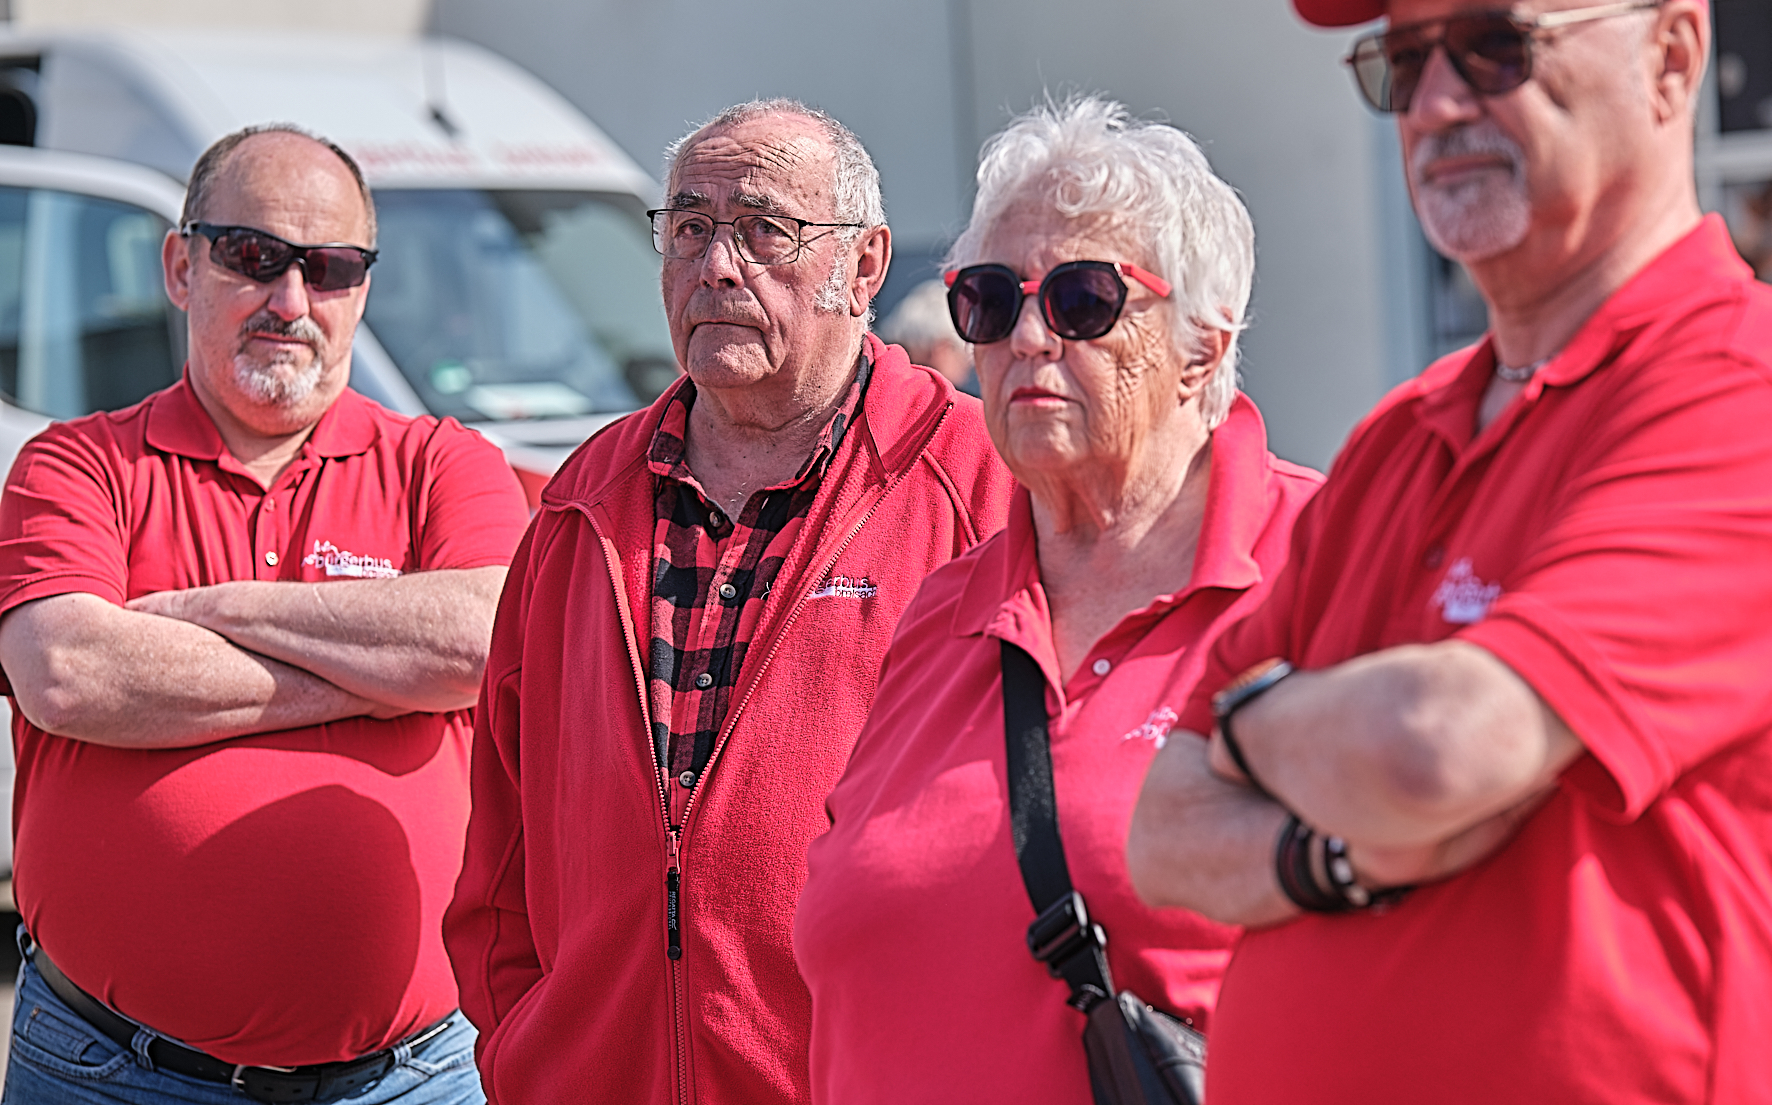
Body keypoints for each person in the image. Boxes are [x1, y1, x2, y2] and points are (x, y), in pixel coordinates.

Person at [1126, 0, 1772, 1102]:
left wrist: (1252, 723)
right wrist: (1335, 850)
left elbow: (1438, 745)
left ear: (1672, 60)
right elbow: (1163, 829)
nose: (1432, 104)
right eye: (1401, 61)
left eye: (1490, 46)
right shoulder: (1402, 432)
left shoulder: (1734, 385)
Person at [443, 99, 1015, 1104]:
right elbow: (501, 847)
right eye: (689, 228)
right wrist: (526, 1055)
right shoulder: (581, 502)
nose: (716, 265)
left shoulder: (981, 487)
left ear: (866, 266)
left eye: (762, 229)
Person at [793, 97, 1322, 1103]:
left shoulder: (1323, 562)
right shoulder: (943, 612)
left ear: (1202, 347)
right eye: (990, 301)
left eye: (1083, 299)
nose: (1029, 336)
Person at [0, 125, 531, 1104]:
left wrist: (207, 612)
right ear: (181, 265)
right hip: (111, 1068)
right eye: (252, 255)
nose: (290, 300)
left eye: (329, 267)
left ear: (361, 288)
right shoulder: (76, 463)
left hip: (411, 1077)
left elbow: (481, 638)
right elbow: (65, 672)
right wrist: (381, 675)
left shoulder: (444, 462)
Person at [876, 278, 977, 393]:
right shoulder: (936, 398)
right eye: (963, 361)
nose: (965, 377)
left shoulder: (875, 376)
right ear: (941, 350)